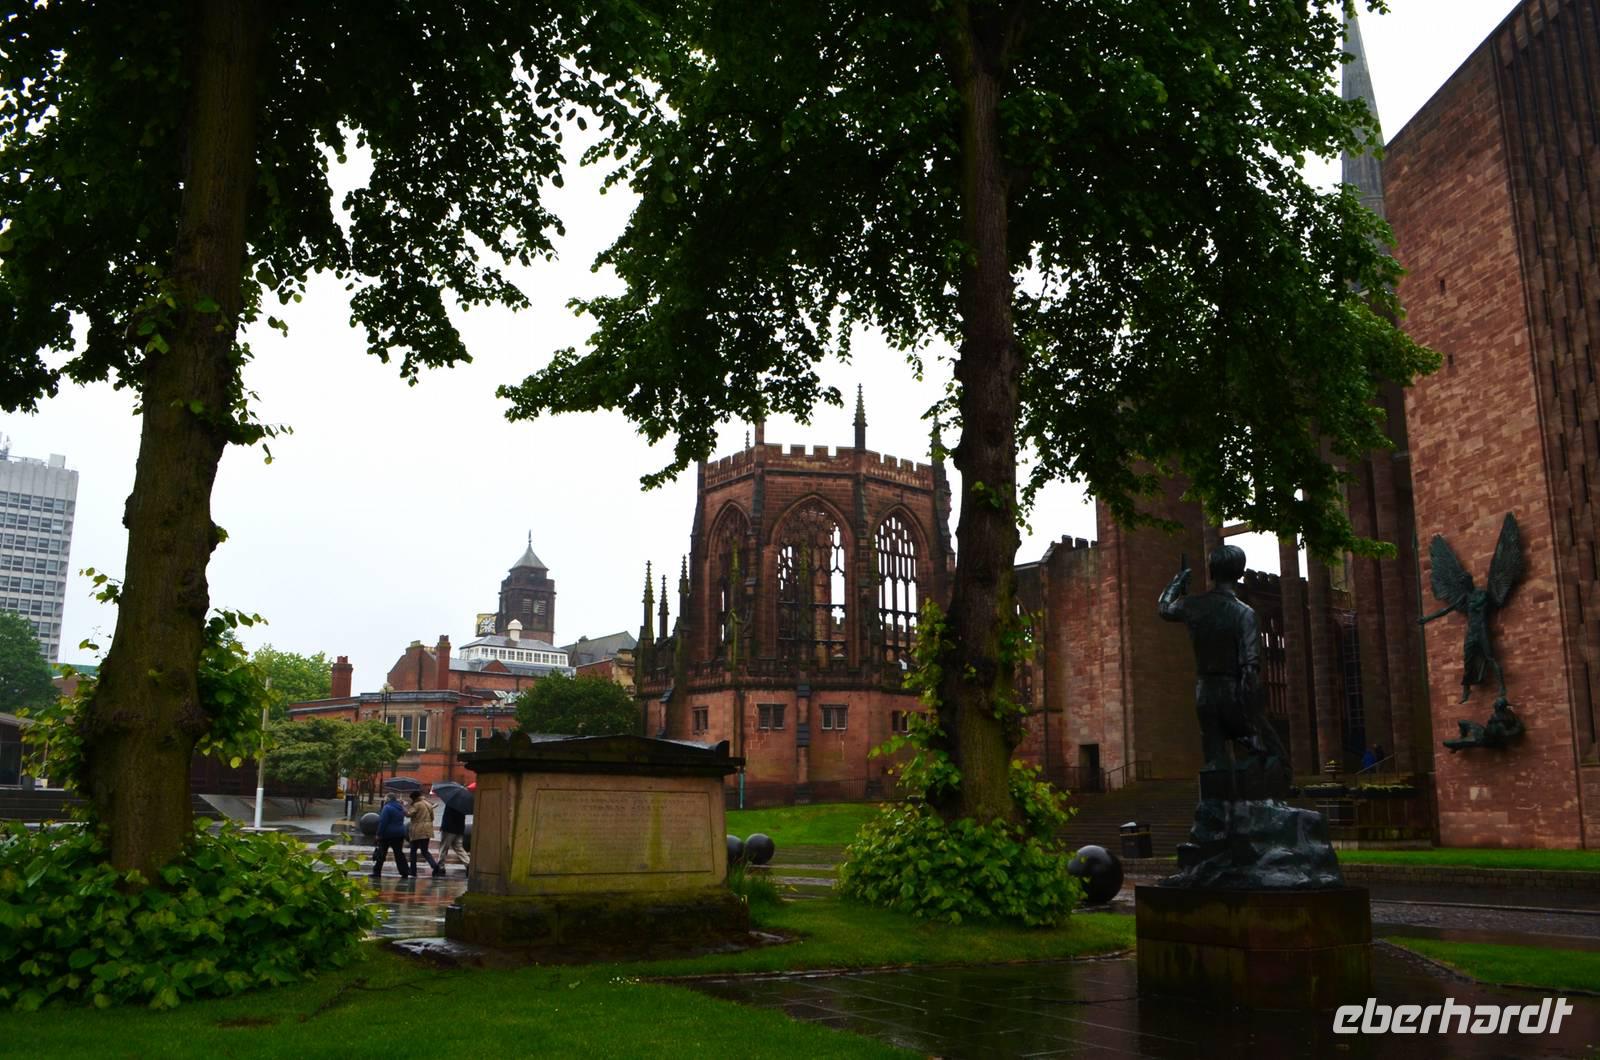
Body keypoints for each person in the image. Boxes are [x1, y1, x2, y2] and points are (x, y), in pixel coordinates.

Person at [372, 793, 411, 880]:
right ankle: (405, 871)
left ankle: (377, 872)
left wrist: (378, 834)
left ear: (389, 799)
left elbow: (383, 822)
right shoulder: (400, 807)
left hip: (387, 834)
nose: (384, 799)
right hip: (399, 834)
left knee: (382, 853)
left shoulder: (387, 808)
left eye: (385, 798)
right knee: (399, 854)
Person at [406, 790, 441, 876]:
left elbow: (408, 814)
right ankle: (435, 866)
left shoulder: (416, 805)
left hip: (417, 830)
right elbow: (432, 818)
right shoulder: (428, 804)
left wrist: (403, 807)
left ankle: (413, 871)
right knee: (424, 851)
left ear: (414, 798)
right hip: (427, 830)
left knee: (413, 851)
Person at [436, 798, 470, 878]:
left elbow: (447, 817)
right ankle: (468, 863)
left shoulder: (450, 802)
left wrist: (443, 827)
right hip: (459, 829)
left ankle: (441, 867)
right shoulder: (463, 805)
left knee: (444, 847)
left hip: (449, 829)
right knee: (459, 848)